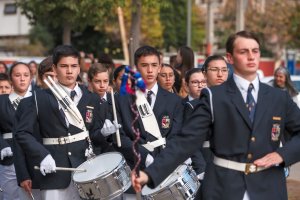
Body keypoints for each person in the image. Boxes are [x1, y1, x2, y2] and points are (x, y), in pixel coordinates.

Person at [132, 31, 300, 200]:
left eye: (255, 51)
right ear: (230, 58)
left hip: (268, 188)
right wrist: (150, 174)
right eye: (243, 52)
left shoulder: (279, 97)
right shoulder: (213, 97)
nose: (251, 57)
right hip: (224, 187)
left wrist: (283, 155)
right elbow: (186, 141)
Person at [14, 45, 115, 200]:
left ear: (79, 68)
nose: (69, 71)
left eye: (74, 66)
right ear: (54, 68)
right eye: (64, 66)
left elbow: (93, 136)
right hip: (54, 172)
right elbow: (22, 133)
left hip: (86, 170)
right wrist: (42, 155)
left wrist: (103, 134)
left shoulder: (91, 98)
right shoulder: (38, 98)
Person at [115, 46, 183, 199]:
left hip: (166, 171)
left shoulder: (174, 100)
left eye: (154, 65)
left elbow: (177, 135)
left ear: (160, 67)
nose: (150, 70)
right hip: (134, 170)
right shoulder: (122, 99)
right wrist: (144, 155)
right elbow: (120, 137)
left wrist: (165, 160)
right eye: (144, 66)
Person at [0, 62, 32, 200]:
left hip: (33, 155)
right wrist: (2, 145)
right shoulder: (2, 101)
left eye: (26, 75)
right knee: (11, 195)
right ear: (11, 78)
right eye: (17, 75)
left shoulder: (37, 99)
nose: (22, 79)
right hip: (10, 154)